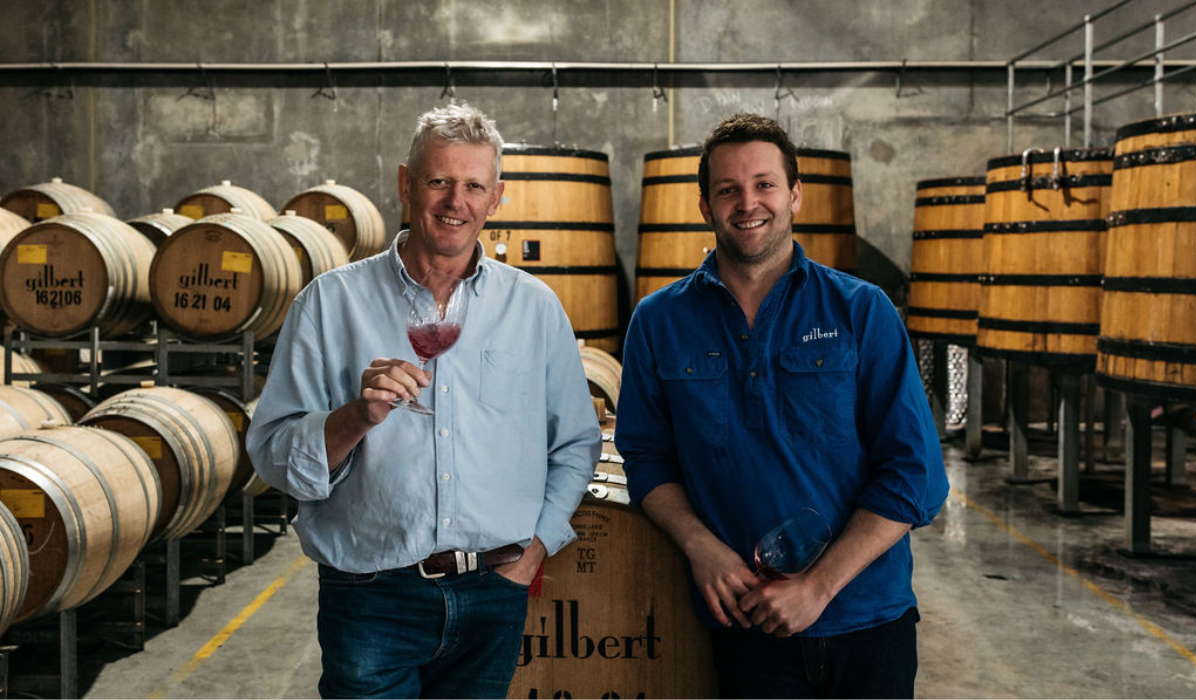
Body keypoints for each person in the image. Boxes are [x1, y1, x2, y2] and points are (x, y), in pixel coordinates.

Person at [247, 102, 602, 699]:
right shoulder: (329, 304)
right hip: (369, 594)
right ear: (406, 184)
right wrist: (356, 417)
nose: (454, 201)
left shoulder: (534, 306)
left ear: (496, 198)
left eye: (472, 186)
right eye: (438, 181)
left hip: (495, 590)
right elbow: (273, 455)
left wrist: (534, 550)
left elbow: (574, 442)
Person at [614, 113, 949, 699]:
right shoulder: (658, 322)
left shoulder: (861, 311)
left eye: (765, 184)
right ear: (704, 205)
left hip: (868, 620)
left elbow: (916, 476)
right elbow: (646, 459)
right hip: (745, 623)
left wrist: (817, 587)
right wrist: (700, 546)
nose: (748, 203)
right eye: (728, 189)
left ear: (794, 194)